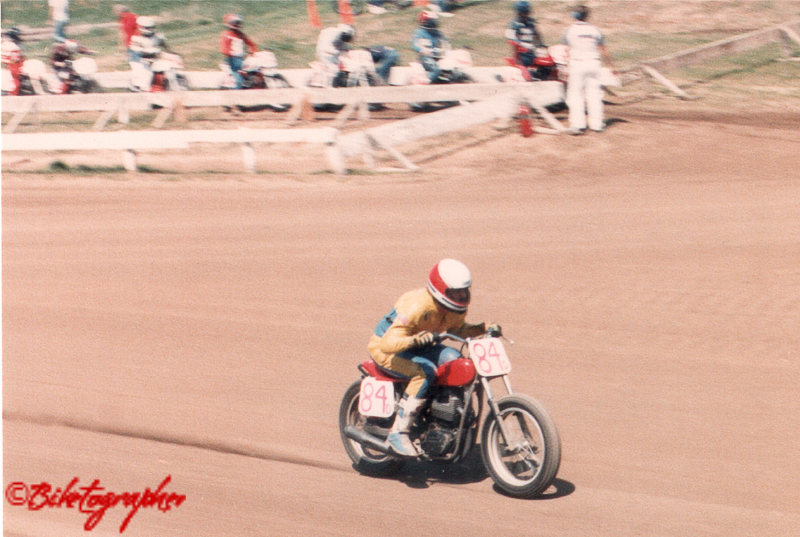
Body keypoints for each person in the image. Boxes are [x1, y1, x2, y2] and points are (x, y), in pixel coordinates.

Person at [368, 259, 500, 457]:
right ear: (440, 289)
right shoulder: (417, 306)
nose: (461, 295)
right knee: (424, 372)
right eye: (455, 292)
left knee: (455, 360)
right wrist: (416, 340)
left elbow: (458, 330)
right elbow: (388, 343)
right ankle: (398, 433)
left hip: (421, 346)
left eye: (464, 291)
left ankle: (444, 417)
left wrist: (482, 327)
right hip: (388, 349)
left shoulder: (455, 309)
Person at [561, 4, 615, 134]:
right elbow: (603, 50)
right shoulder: (595, 30)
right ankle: (597, 124)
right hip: (593, 64)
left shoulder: (569, 30)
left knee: (575, 94)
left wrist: (564, 68)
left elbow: (566, 50)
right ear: (587, 15)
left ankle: (578, 125)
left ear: (575, 15)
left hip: (577, 64)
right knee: (594, 94)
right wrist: (611, 66)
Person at [506, 1, 547, 78]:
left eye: (527, 12)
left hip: (532, 49)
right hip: (521, 52)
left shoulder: (531, 22)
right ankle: (528, 77)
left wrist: (540, 44)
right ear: (519, 13)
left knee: (547, 60)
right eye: (524, 13)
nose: (526, 14)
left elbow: (536, 34)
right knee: (526, 60)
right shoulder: (514, 24)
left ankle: (543, 76)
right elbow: (510, 36)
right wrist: (519, 44)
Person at [410, 9, 451, 83]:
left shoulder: (436, 32)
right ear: (426, 22)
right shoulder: (419, 32)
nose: (435, 22)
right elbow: (414, 44)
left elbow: (445, 41)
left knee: (450, 68)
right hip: (426, 58)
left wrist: (446, 48)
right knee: (435, 69)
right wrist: (422, 50)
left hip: (438, 56)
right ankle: (429, 82)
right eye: (432, 21)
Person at [219, 13, 258, 90]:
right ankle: (237, 96)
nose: (237, 24)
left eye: (238, 22)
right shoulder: (226, 34)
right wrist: (233, 53)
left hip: (240, 59)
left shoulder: (240, 34)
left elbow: (251, 44)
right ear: (229, 23)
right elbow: (223, 49)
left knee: (254, 69)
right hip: (232, 60)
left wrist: (252, 52)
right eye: (234, 22)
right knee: (238, 79)